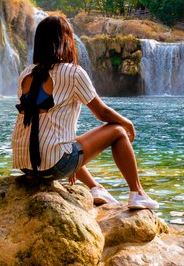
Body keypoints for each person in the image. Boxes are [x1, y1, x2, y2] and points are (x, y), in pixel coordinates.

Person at [11, 15, 159, 209]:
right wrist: (127, 122)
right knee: (117, 130)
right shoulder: (72, 73)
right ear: (66, 40)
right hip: (53, 165)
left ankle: (96, 188)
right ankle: (137, 193)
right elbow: (102, 113)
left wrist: (73, 156)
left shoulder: (26, 73)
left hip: (25, 164)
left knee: (68, 142)